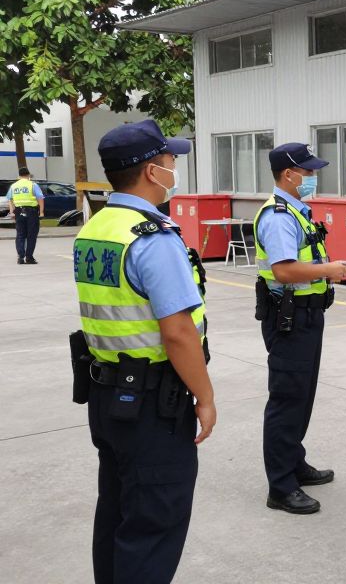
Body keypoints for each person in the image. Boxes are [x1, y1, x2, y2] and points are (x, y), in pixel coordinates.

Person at [71, 119, 214, 584]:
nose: (175, 166)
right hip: (154, 404)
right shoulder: (152, 237)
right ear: (153, 172)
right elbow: (178, 332)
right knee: (154, 524)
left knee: (115, 512)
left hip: (107, 397)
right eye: (171, 160)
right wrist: (205, 397)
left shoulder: (97, 227)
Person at [254, 143, 346, 514]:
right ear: (287, 174)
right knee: (287, 397)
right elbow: (284, 270)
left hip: (306, 315)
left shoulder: (297, 211)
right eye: (307, 172)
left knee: (302, 395)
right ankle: (280, 486)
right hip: (289, 318)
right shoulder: (279, 216)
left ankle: (293, 462)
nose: (312, 177)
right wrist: (329, 270)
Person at [7, 165, 44, 264]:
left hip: (18, 212)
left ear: (19, 176)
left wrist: (12, 212)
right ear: (28, 175)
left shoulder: (13, 186)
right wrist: (41, 212)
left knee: (20, 234)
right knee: (31, 235)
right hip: (31, 211)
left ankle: (20, 257)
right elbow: (40, 198)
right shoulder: (33, 185)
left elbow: (10, 200)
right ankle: (29, 257)